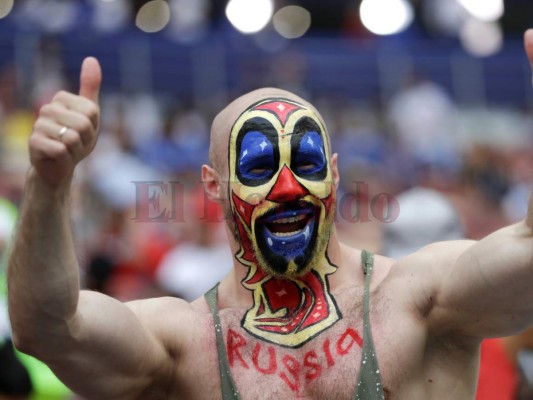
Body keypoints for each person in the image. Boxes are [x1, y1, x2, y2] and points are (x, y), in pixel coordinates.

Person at [6, 31, 533, 400]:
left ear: (334, 172)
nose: (287, 188)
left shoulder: (419, 300)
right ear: (214, 185)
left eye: (304, 163)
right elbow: (47, 326)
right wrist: (49, 183)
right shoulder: (182, 341)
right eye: (258, 167)